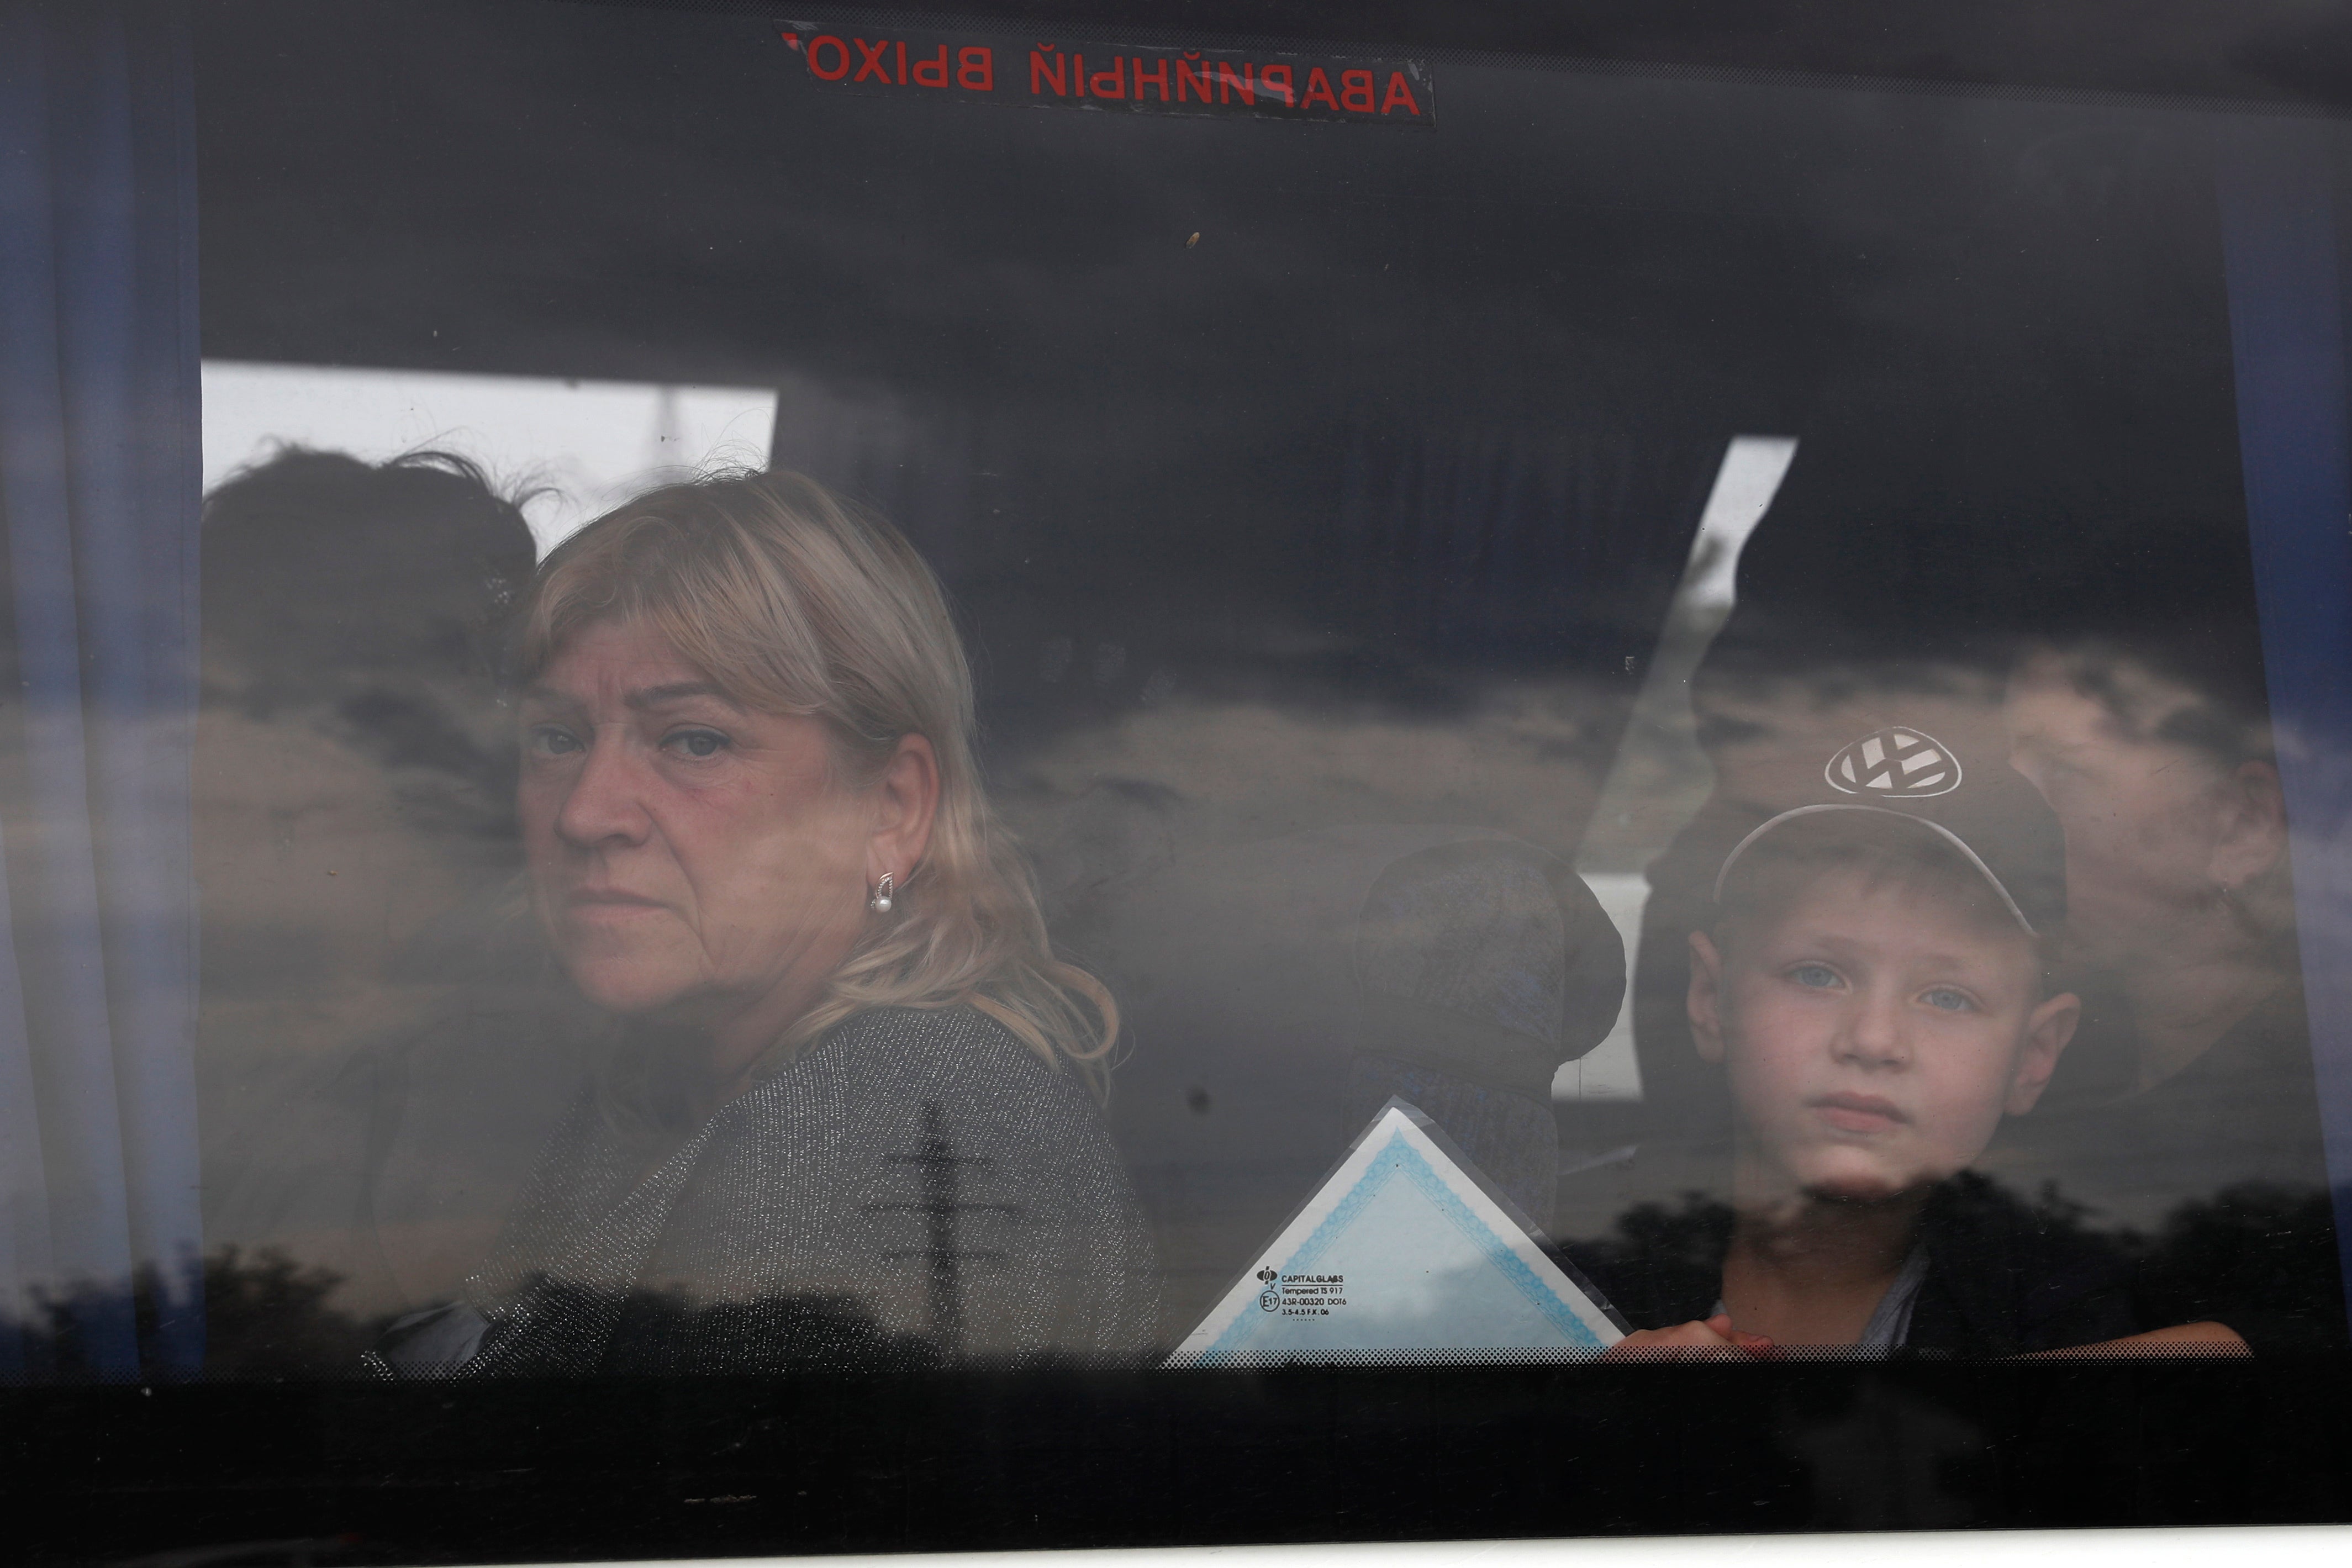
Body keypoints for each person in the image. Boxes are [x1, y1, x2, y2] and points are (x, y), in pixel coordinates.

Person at [372, 468, 1157, 1376]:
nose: (587, 813)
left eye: (693, 740)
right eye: (557, 737)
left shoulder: (884, 1116)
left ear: (891, 807)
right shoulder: (672, 1071)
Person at [1578, 728, 2137, 1356]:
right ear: (1711, 999)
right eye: (1816, 975)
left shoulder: (2092, 1314)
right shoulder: (1560, 1254)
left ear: (2033, 1057)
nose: (1873, 1040)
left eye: (1948, 997)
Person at [1996, 572, 2345, 1354]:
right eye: (2009, 774)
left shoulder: (2322, 1114)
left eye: (2065, 771)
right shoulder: (2037, 1062)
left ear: (2241, 825)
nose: (2012, 815)